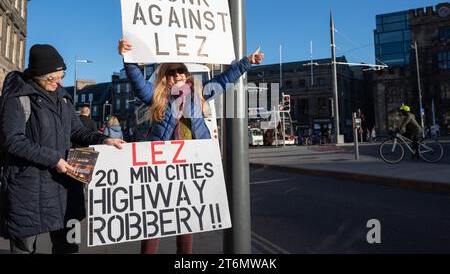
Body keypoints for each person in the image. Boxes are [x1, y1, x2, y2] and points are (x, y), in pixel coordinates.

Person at [118, 38, 264, 254]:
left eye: (181, 71)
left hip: (191, 164)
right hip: (162, 165)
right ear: (165, 77)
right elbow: (139, 83)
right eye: (172, 72)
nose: (178, 75)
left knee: (185, 219)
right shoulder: (156, 96)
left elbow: (225, 80)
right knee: (154, 217)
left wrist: (246, 62)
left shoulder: (199, 93)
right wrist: (128, 59)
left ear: (186, 75)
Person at [0, 44, 125, 254]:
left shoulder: (63, 97)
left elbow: (77, 132)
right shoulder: (18, 97)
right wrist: (54, 159)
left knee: (68, 246)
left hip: (66, 186)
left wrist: (104, 139)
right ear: (37, 75)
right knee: (24, 249)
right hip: (28, 189)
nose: (58, 82)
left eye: (61, 76)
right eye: (52, 78)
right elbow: (12, 140)